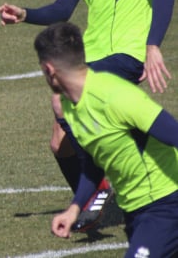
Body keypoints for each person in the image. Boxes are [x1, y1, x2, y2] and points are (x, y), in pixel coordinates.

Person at [0, 0, 176, 232]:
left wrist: (152, 45)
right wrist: (25, 13)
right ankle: (97, 193)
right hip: (91, 54)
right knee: (59, 144)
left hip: (125, 52)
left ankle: (108, 191)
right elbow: (64, 8)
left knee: (61, 102)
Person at [33, 22, 178, 257]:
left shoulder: (115, 95)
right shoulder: (70, 107)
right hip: (136, 211)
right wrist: (75, 208)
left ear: (48, 69)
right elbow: (94, 164)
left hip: (166, 204)